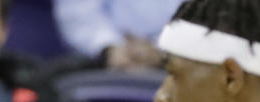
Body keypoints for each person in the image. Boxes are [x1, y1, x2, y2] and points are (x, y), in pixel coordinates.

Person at [53, 0, 183, 69]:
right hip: (101, 58)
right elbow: (77, 13)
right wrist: (111, 47)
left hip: (179, 59)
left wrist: (159, 50)